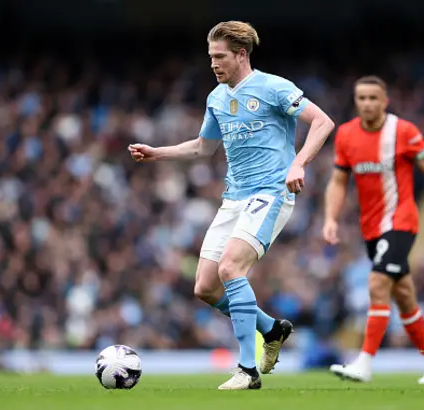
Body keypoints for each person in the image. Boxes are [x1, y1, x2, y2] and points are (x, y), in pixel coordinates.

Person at [128, 21, 334, 390]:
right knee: (205, 287)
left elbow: (322, 122)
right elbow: (203, 147)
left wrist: (299, 162)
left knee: (230, 268)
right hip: (234, 197)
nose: (213, 64)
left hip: (270, 192)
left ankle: (248, 370)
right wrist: (157, 152)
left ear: (241, 54)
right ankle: (271, 329)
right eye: (210, 57)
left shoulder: (274, 87)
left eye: (219, 56)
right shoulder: (217, 98)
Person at [322, 76, 424, 384]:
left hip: (402, 221)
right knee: (404, 295)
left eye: (373, 98)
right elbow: (339, 181)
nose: (367, 104)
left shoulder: (404, 132)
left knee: (378, 283)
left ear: (385, 101)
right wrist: (330, 218)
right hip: (371, 228)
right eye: (361, 98)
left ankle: (364, 362)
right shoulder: (346, 135)